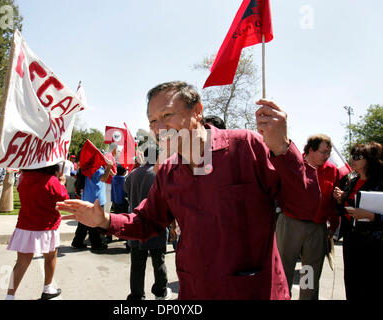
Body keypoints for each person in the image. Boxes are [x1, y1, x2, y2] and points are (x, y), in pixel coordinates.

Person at [57, 81, 321, 300]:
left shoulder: (246, 147)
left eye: (167, 116)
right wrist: (103, 220)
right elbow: (147, 220)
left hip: (253, 291)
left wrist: (283, 150)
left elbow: (305, 206)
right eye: (152, 121)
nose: (158, 128)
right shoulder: (169, 171)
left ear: (197, 111)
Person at [276, 134, 340, 300]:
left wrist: (333, 225)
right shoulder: (295, 165)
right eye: (324, 152)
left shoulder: (332, 171)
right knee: (284, 268)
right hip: (290, 223)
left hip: (317, 227)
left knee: (309, 272)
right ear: (311, 149)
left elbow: (331, 200)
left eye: (329, 152)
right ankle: (282, 296)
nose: (327, 156)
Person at [5, 163, 69, 300]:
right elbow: (64, 200)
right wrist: (62, 183)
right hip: (47, 226)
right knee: (50, 257)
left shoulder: (24, 178)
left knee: (21, 263)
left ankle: (10, 296)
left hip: (25, 225)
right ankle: (48, 287)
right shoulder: (51, 180)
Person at [333, 142, 383, 300]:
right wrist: (341, 200)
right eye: (351, 155)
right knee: (352, 283)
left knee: (371, 287)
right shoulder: (351, 181)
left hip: (374, 245)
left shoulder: (380, 182)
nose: (352, 160)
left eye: (357, 156)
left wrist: (372, 216)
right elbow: (344, 211)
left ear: (369, 160)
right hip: (352, 241)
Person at [125, 146, 172, 300]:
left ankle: (137, 295)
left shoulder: (133, 174)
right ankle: (160, 291)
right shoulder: (160, 174)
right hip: (156, 225)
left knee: (137, 264)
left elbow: (127, 192)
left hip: (135, 224)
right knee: (158, 261)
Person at [71, 162, 114, 251]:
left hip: (86, 197)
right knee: (96, 222)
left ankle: (77, 242)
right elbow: (103, 179)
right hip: (96, 199)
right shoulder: (97, 168)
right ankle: (96, 244)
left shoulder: (88, 167)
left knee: (83, 222)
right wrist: (109, 168)